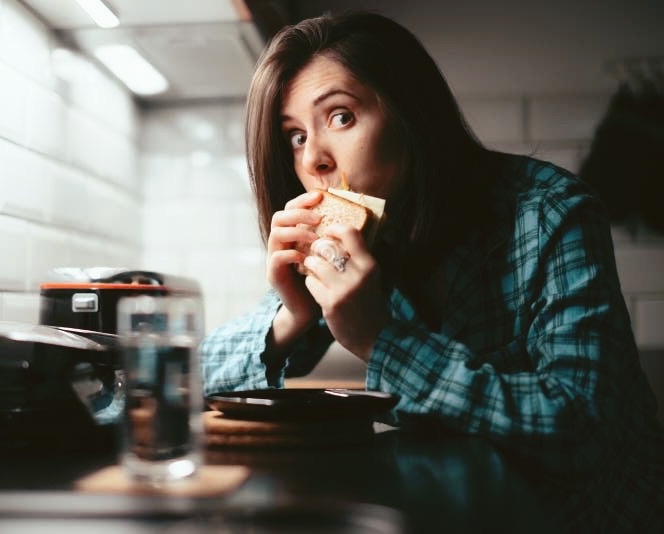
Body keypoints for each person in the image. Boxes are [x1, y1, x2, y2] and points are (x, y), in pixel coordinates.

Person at [200, 11, 664, 532]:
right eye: (295, 136)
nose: (315, 161)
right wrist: (292, 316)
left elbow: (580, 431)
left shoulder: (550, 212)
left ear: (411, 112)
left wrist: (379, 338)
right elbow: (190, 380)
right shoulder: (358, 235)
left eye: (341, 116)